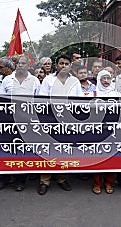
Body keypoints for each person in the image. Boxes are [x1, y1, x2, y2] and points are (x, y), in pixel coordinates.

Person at [0, 55, 41, 191]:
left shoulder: (35, 81)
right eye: (18, 63)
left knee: (23, 151)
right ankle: (4, 179)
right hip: (9, 121)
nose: (20, 65)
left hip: (27, 121)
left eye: (23, 63)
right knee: (6, 150)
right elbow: (1, 99)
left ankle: (20, 180)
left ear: (28, 66)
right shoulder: (7, 80)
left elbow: (39, 101)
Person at [37, 54, 82, 195]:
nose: (63, 66)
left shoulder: (75, 81)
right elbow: (41, 99)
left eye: (66, 63)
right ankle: (44, 181)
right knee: (48, 150)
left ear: (70, 66)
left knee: (65, 150)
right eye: (61, 63)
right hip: (51, 121)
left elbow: (80, 102)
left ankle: (62, 178)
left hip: (69, 121)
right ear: (56, 65)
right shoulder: (48, 80)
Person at [91, 70, 120, 195]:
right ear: (98, 79)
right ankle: (96, 183)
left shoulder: (117, 93)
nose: (106, 81)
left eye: (109, 78)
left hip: (112, 130)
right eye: (103, 78)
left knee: (110, 156)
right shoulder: (92, 93)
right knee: (96, 157)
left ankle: (108, 183)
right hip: (96, 130)